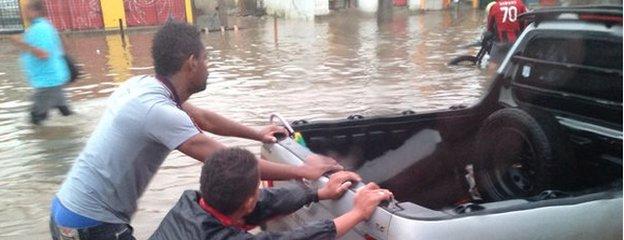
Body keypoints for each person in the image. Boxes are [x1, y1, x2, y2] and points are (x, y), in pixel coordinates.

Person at [49, 21, 342, 240]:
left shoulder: (143, 88)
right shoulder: (158, 112)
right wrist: (305, 170)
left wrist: (257, 134)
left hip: (67, 209)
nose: (208, 66)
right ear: (192, 63)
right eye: (206, 59)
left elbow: (205, 119)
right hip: (89, 224)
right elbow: (232, 163)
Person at [150, 148, 394, 240]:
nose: (260, 193)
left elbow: (264, 202)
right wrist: (359, 213)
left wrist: (319, 193)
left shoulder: (191, 205)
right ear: (247, 203)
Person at [9, 0, 73, 125]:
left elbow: (43, 54)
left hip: (47, 82)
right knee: (67, 115)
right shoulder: (43, 27)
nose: (24, 14)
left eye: (27, 10)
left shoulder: (40, 29)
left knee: (35, 122)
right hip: (53, 79)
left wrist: (19, 43)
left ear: (36, 11)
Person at [486, 0, 527, 70]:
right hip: (516, 40)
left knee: (493, 63)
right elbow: (525, 22)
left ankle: (490, 79)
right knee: (516, 64)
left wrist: (489, 32)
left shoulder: (495, 6)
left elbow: (490, 26)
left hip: (500, 40)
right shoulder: (519, 4)